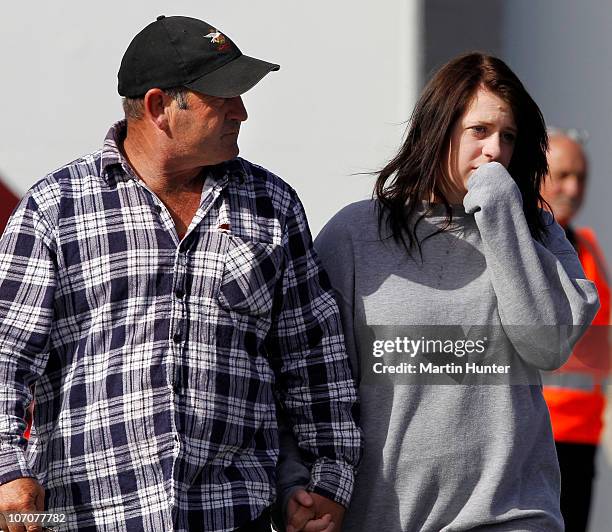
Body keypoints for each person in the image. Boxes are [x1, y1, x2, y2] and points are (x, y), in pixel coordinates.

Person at [0, 15, 362, 532]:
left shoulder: (272, 204)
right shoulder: (56, 206)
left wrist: (328, 480)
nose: (243, 110)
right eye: (224, 95)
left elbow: (314, 359)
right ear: (158, 107)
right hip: (87, 520)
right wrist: (7, 473)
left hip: (239, 519)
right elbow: (5, 354)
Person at [279, 52, 600, 531]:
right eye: (479, 131)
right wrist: (295, 484)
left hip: (512, 512)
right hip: (385, 516)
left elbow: (547, 344)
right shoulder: (355, 234)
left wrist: (503, 215)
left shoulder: (538, 233)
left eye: (508, 137)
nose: (495, 150)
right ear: (439, 128)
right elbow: (304, 378)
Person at [540, 129, 610, 531]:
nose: (573, 187)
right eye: (562, 174)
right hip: (537, 435)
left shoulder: (588, 246)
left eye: (581, 177)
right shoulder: (522, 243)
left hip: (583, 436)